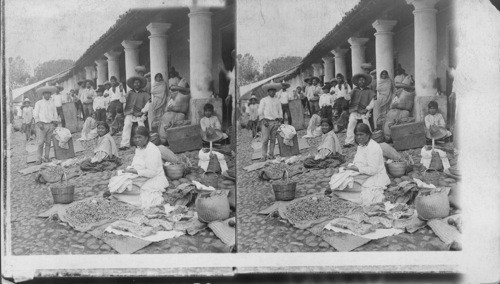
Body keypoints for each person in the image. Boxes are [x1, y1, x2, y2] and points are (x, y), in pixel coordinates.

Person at [108, 126, 168, 209]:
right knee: (117, 181)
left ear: (146, 137)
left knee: (122, 189)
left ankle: (130, 195)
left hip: (153, 178)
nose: (137, 140)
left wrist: (134, 171)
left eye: (140, 137)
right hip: (140, 176)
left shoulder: (151, 150)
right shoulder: (139, 148)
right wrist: (127, 171)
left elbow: (152, 172)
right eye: (135, 138)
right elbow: (136, 164)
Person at [330, 123, 390, 205]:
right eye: (357, 135)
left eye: (361, 135)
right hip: (362, 173)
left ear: (368, 134)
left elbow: (373, 170)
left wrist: (356, 169)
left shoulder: (373, 148)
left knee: (342, 186)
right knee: (337, 179)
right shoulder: (361, 145)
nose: (359, 137)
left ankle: (350, 193)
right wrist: (350, 168)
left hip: (374, 176)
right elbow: (358, 162)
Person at [344, 73, 376, 148]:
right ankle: (349, 141)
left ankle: (369, 140)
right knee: (351, 123)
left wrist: (367, 109)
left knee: (366, 124)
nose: (361, 82)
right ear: (357, 82)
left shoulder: (369, 91)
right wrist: (346, 93)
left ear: (365, 82)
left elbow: (372, 103)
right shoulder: (354, 90)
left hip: (364, 111)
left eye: (363, 80)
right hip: (354, 111)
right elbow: (348, 98)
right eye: (360, 80)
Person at [119, 76, 150, 150]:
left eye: (138, 83)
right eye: (135, 83)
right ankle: (124, 144)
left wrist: (143, 111)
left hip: (140, 114)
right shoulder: (130, 93)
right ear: (133, 84)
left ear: (140, 84)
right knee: (127, 125)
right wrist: (121, 91)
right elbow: (122, 100)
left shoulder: (144, 94)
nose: (137, 84)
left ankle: (143, 143)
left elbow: (149, 103)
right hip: (130, 113)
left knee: (141, 127)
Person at [33, 86, 59, 164]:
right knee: (40, 142)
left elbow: (55, 114)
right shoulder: (39, 103)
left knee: (48, 142)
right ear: (43, 95)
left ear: (50, 94)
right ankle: (38, 159)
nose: (47, 95)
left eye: (48, 94)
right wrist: (38, 122)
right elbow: (35, 114)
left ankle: (47, 157)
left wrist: (55, 122)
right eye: (45, 94)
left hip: (50, 125)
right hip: (42, 125)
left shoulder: (53, 103)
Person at [258, 83, 283, 161]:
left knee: (273, 139)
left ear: (275, 92)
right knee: (265, 140)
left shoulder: (277, 100)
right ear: (268, 92)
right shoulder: (264, 100)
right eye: (270, 91)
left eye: (273, 91)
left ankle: (271, 154)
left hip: (275, 122)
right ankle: (263, 155)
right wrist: (263, 119)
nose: (272, 92)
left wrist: (280, 120)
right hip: (267, 122)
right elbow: (260, 111)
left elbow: (280, 111)